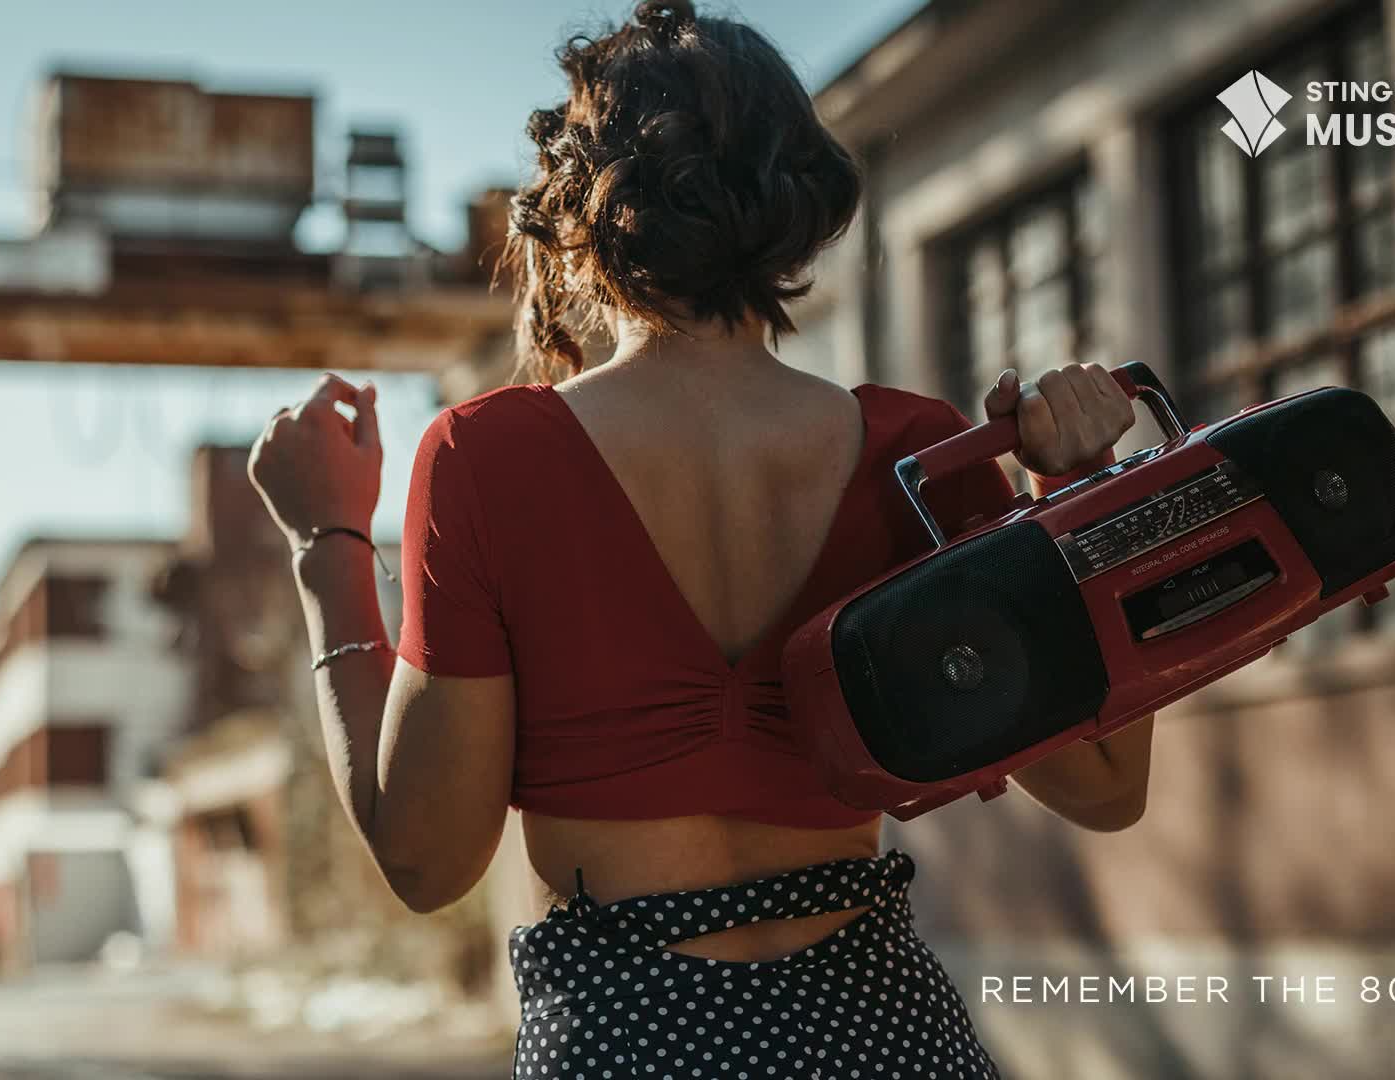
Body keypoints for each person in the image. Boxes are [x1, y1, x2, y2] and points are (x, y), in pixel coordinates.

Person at [247, 3, 1153, 1075]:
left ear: (577, 210)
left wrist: (328, 543)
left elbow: (426, 860)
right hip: (879, 1034)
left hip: (631, 1039)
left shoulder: (489, 458)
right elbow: (1106, 789)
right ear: (794, 201)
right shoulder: (915, 451)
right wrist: (1076, 490)